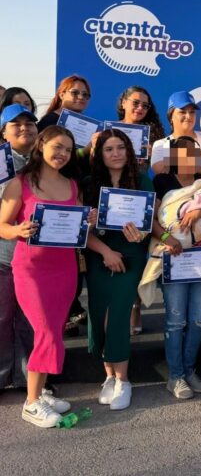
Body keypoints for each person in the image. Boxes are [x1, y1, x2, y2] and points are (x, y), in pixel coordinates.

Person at [0, 126, 95, 427]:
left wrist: (88, 221)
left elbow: (77, 230)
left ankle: (39, 392)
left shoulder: (72, 185)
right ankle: (31, 404)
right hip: (31, 269)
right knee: (46, 332)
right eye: (57, 146)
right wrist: (18, 230)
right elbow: (2, 225)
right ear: (41, 146)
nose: (62, 153)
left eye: (68, 149)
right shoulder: (20, 183)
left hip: (64, 269)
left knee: (53, 329)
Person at [83, 129, 156, 410]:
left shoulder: (142, 180)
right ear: (100, 154)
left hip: (130, 257)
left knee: (119, 314)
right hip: (99, 255)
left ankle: (123, 380)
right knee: (98, 314)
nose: (116, 154)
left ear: (129, 150)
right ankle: (109, 376)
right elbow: (81, 230)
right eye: (109, 149)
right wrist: (95, 233)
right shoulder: (88, 183)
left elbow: (148, 224)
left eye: (121, 147)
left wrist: (141, 234)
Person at [153, 136, 201, 399]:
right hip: (174, 258)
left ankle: (190, 369)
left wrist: (200, 213)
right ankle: (176, 376)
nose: (191, 159)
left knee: (200, 318)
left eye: (195, 154)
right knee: (176, 320)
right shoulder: (162, 182)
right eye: (184, 154)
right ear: (173, 158)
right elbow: (152, 219)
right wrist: (166, 237)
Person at [115, 85, 166, 335]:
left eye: (145, 105)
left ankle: (135, 308)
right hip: (113, 203)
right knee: (115, 258)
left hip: (139, 202)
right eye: (135, 102)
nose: (140, 108)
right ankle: (114, 314)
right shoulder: (110, 131)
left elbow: (162, 171)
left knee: (137, 259)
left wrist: (150, 157)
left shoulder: (152, 136)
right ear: (123, 103)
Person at [0, 105, 38, 392]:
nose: (24, 128)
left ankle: (28, 377)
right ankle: (2, 376)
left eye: (29, 123)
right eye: (16, 124)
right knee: (2, 318)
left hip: (35, 258)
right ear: (4, 133)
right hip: (3, 255)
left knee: (29, 319)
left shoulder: (44, 161)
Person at [151, 91, 201, 175]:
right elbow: (161, 171)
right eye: (182, 112)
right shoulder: (161, 144)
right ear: (171, 117)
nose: (188, 116)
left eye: (192, 112)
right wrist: (200, 156)